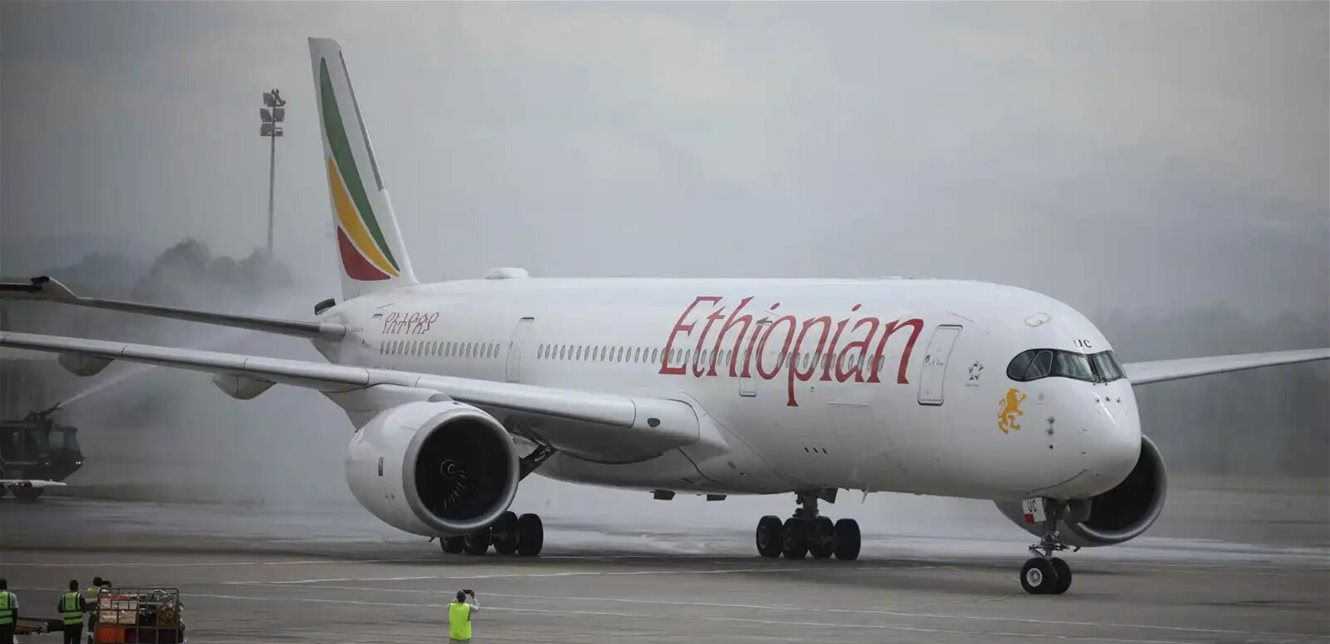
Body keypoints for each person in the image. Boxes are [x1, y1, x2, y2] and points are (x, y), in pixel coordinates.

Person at [58, 580, 85, 644]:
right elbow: (84, 609)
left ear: (69, 587)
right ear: (77, 587)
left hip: (67, 624)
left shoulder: (64, 597)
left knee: (66, 641)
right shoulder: (79, 596)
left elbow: (60, 609)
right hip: (77, 624)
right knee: (76, 641)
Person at [0, 579, 17, 644]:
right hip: (7, 626)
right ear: (6, 586)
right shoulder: (11, 596)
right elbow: (15, 613)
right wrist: (14, 627)